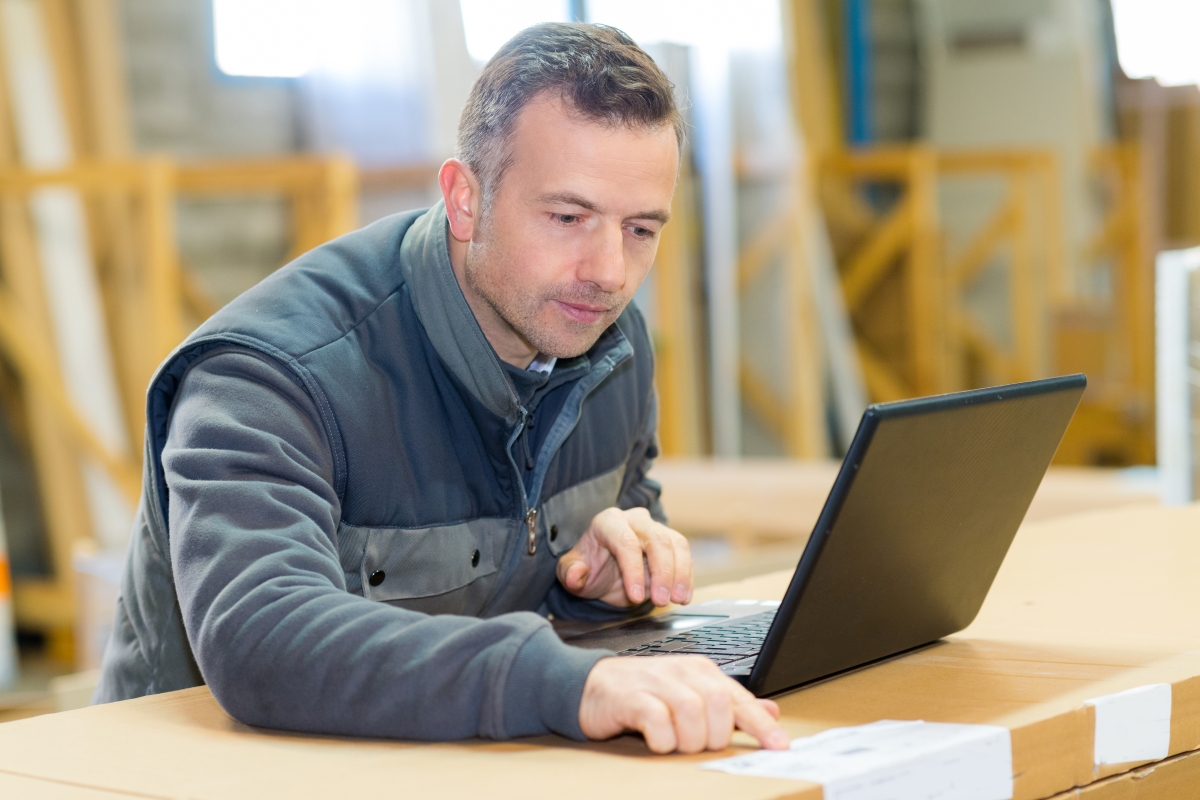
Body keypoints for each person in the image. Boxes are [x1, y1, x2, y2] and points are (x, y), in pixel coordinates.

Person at [94, 22, 787, 755]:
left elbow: (597, 553)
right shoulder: (271, 377)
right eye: (567, 217)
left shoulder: (605, 344)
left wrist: (605, 581)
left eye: (641, 229)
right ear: (463, 199)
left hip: (446, 763)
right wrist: (560, 681)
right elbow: (262, 634)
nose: (610, 272)